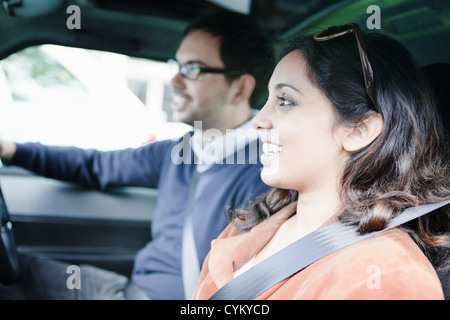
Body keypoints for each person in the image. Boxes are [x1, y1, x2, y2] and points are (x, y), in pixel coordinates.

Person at [0, 11, 274, 299]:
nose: (175, 82)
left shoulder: (268, 168)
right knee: (11, 273)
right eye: (176, 66)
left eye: (192, 69)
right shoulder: (178, 151)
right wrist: (11, 150)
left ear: (240, 87)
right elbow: (95, 166)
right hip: (130, 291)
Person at [193, 24, 450, 300]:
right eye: (268, 99)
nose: (258, 121)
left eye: (285, 101)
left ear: (358, 130)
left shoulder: (389, 274)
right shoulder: (249, 224)